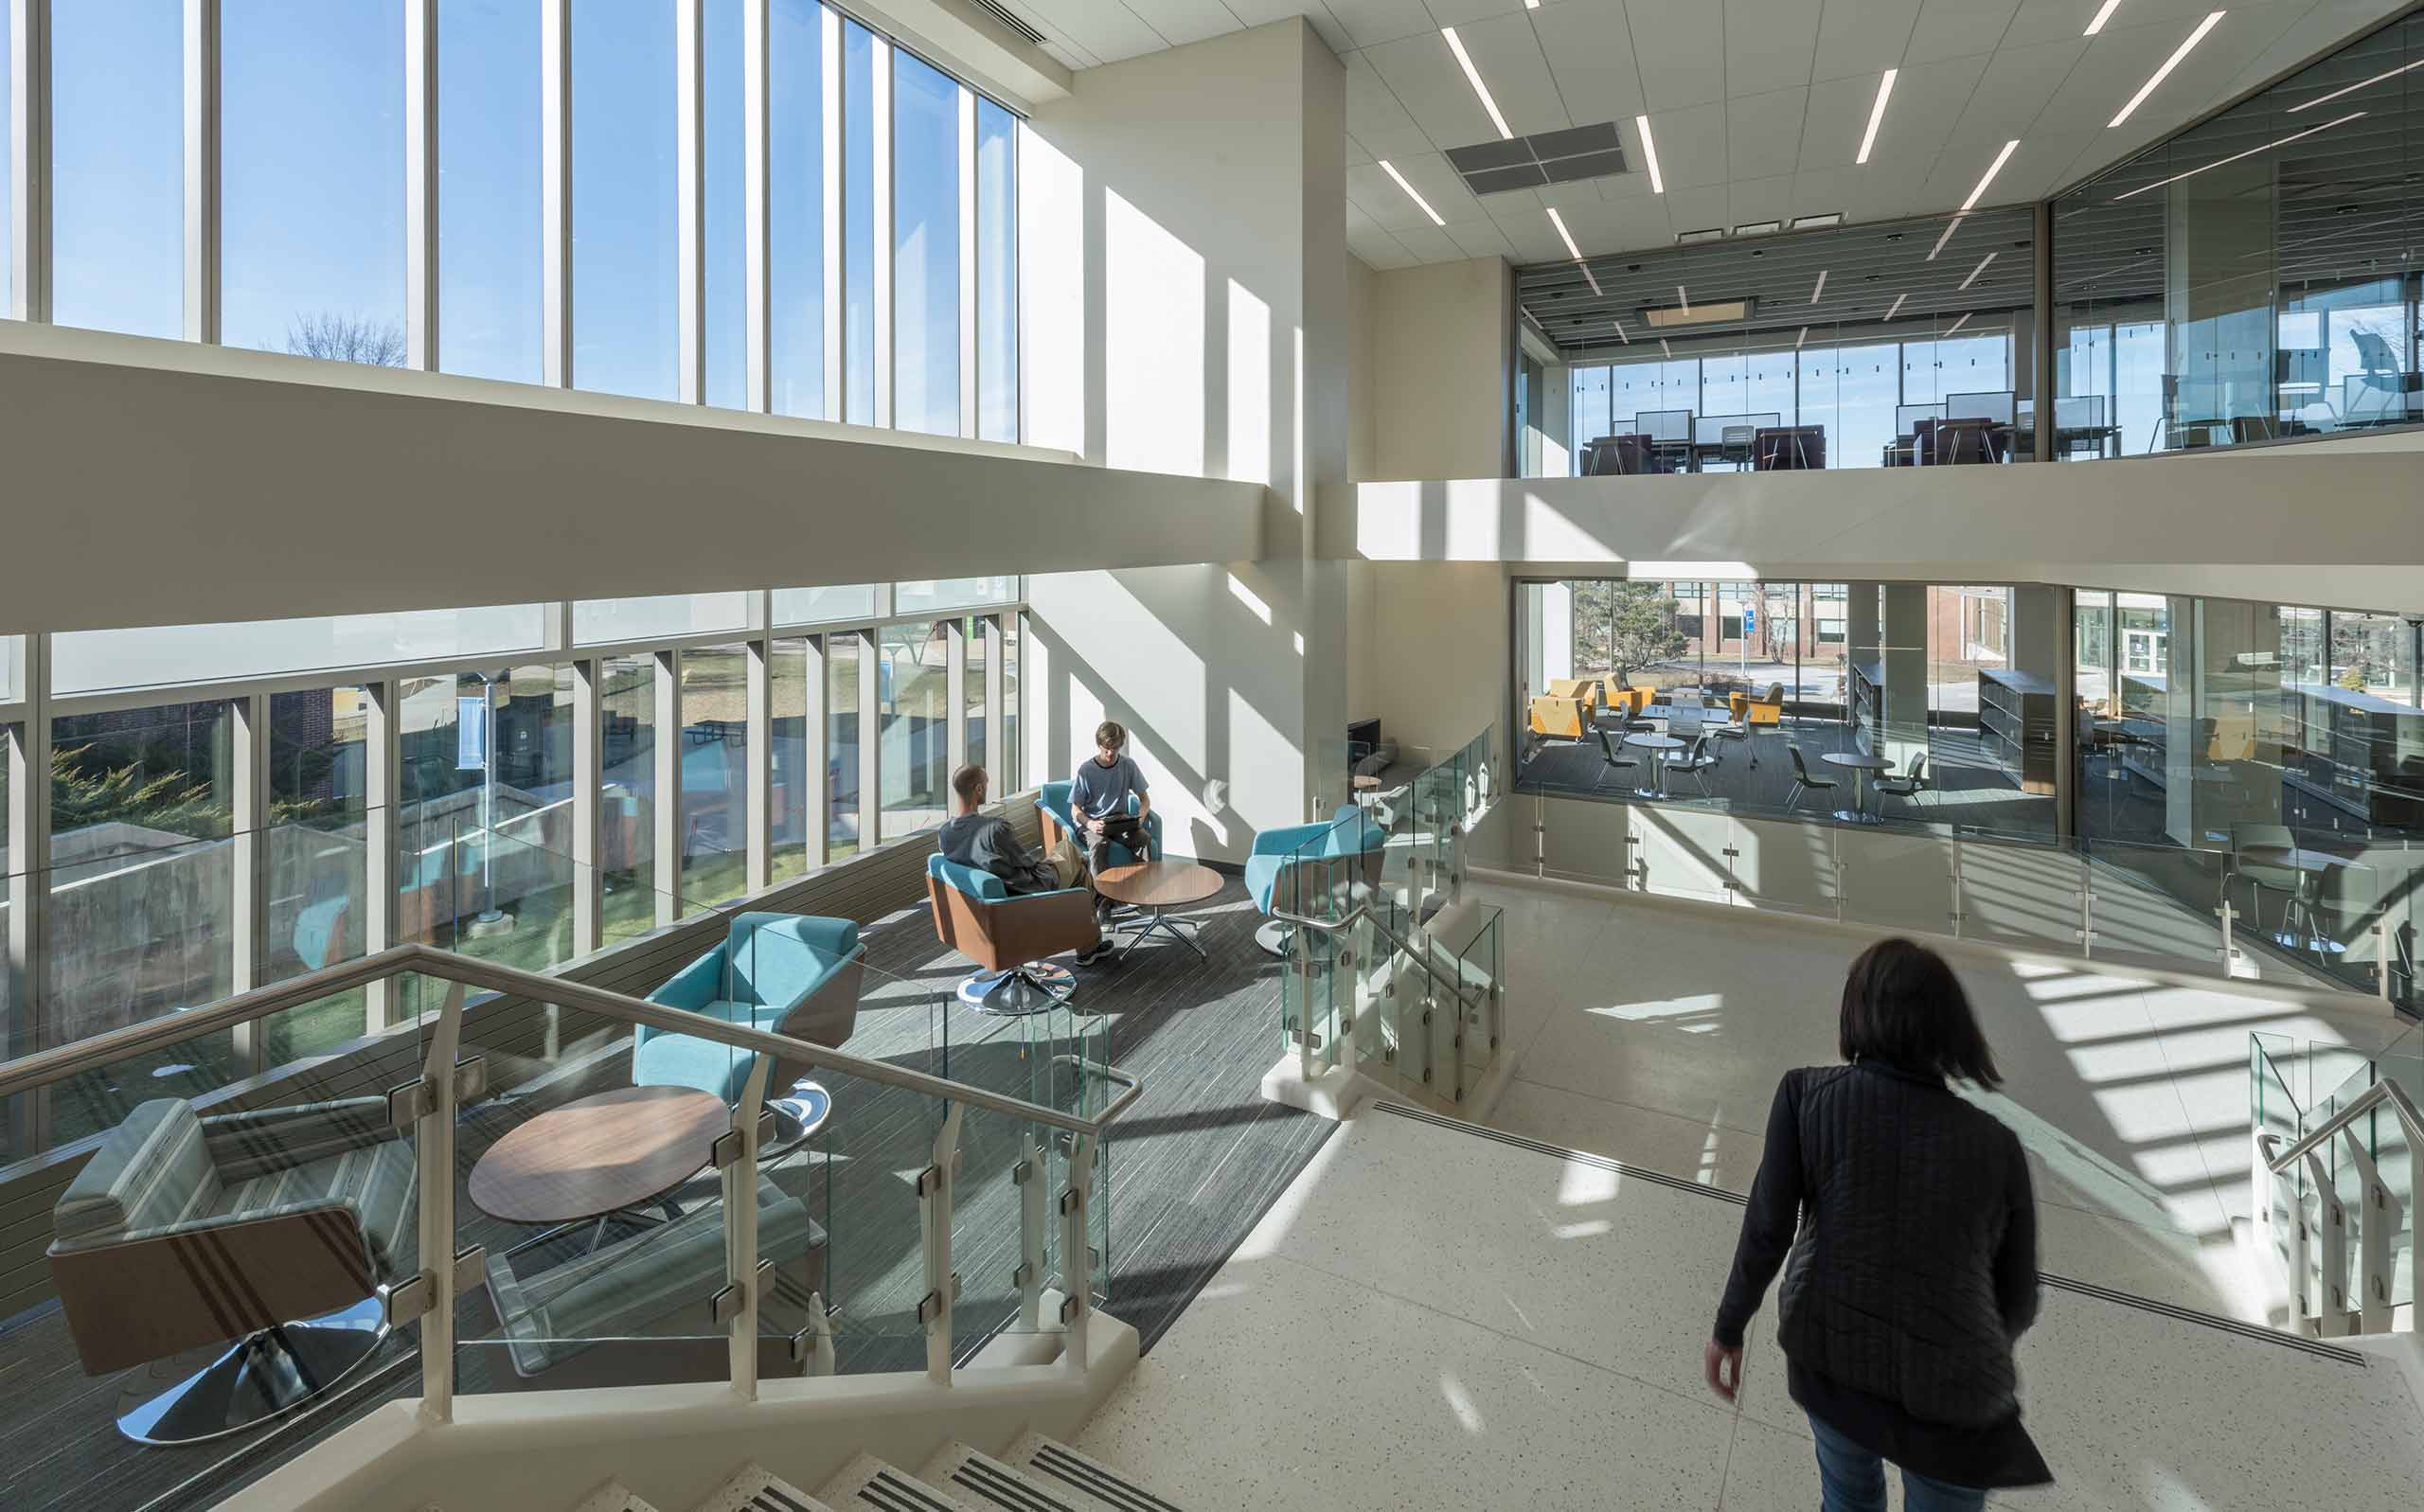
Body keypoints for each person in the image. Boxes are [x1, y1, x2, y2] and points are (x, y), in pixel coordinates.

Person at [1704, 937, 2051, 1512]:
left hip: (1831, 1364)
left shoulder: (1805, 1096)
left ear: (1856, 1015)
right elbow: (2018, 1297)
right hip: (1958, 1403)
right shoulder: (1997, 1146)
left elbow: (1768, 1229)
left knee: (1847, 1499)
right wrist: (1962, 1343)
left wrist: (1728, 1328)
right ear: (1950, 1029)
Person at [937, 764, 1108, 963]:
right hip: (1023, 893)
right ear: (978, 790)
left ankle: (1091, 923)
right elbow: (1027, 863)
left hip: (983, 905)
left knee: (1069, 854)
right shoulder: (995, 829)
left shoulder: (945, 833)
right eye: (986, 783)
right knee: (1076, 860)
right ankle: (1091, 935)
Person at [1068, 720, 1152, 917]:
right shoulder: (1086, 770)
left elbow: (1145, 800)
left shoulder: (1128, 765)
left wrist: (1138, 819)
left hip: (1119, 821)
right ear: (1099, 745)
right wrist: (1089, 823)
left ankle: (1139, 894)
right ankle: (1103, 905)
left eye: (1115, 748)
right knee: (1100, 844)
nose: (1110, 753)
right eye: (1107, 748)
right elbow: (1075, 809)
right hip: (1092, 822)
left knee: (1143, 839)